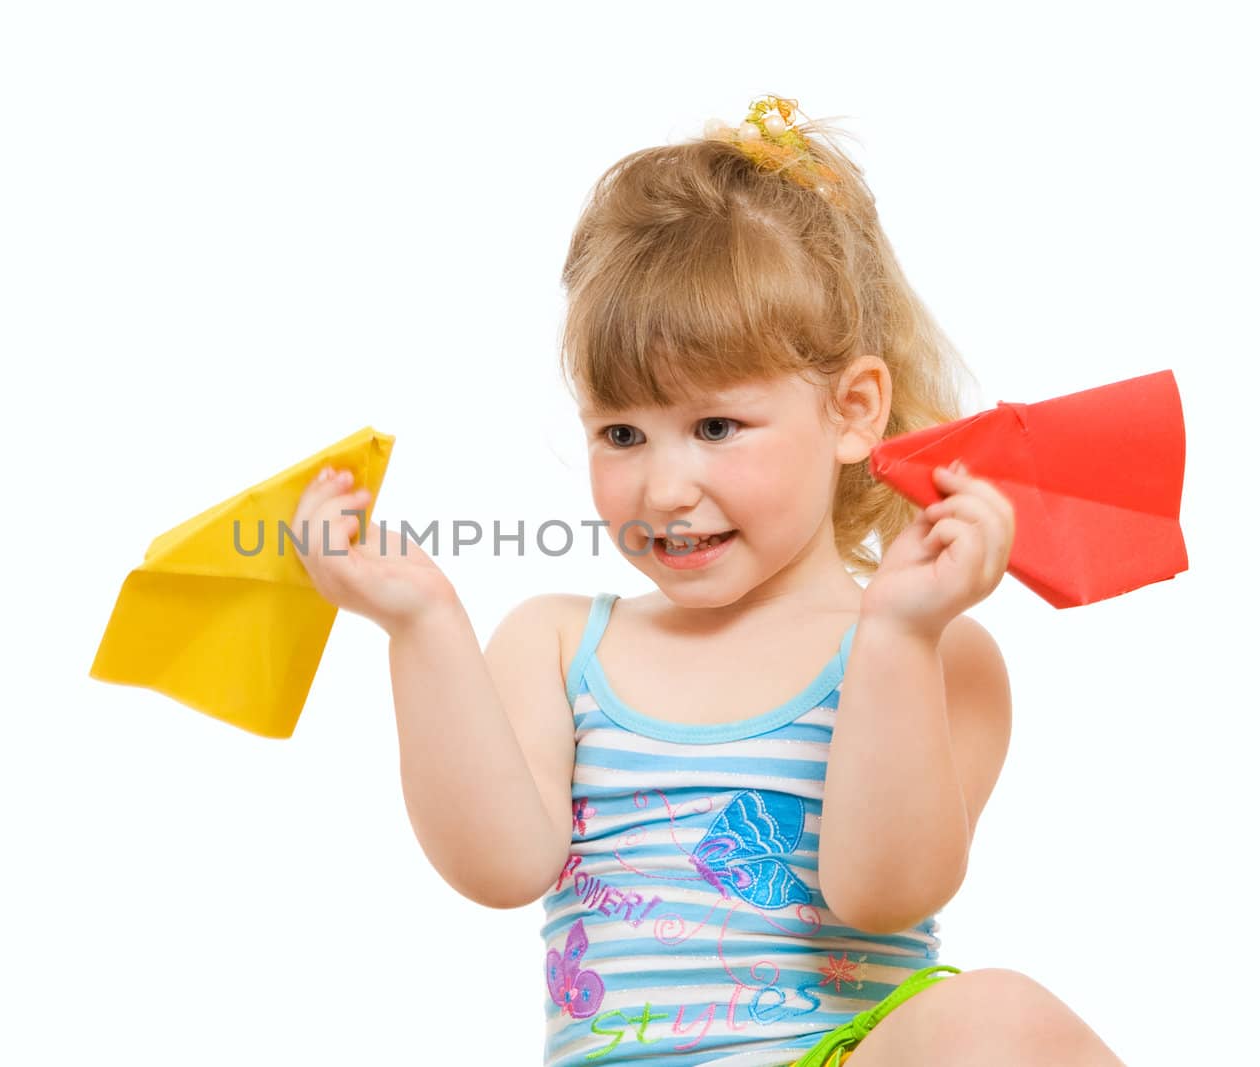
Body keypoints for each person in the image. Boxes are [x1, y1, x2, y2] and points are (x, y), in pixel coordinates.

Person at [290, 96, 1126, 1066]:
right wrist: (419, 623)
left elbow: (883, 890)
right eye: (621, 433)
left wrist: (898, 636)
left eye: (717, 427)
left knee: (998, 1016)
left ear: (852, 410)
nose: (663, 485)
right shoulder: (560, 642)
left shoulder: (942, 654)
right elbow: (499, 866)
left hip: (838, 1053)